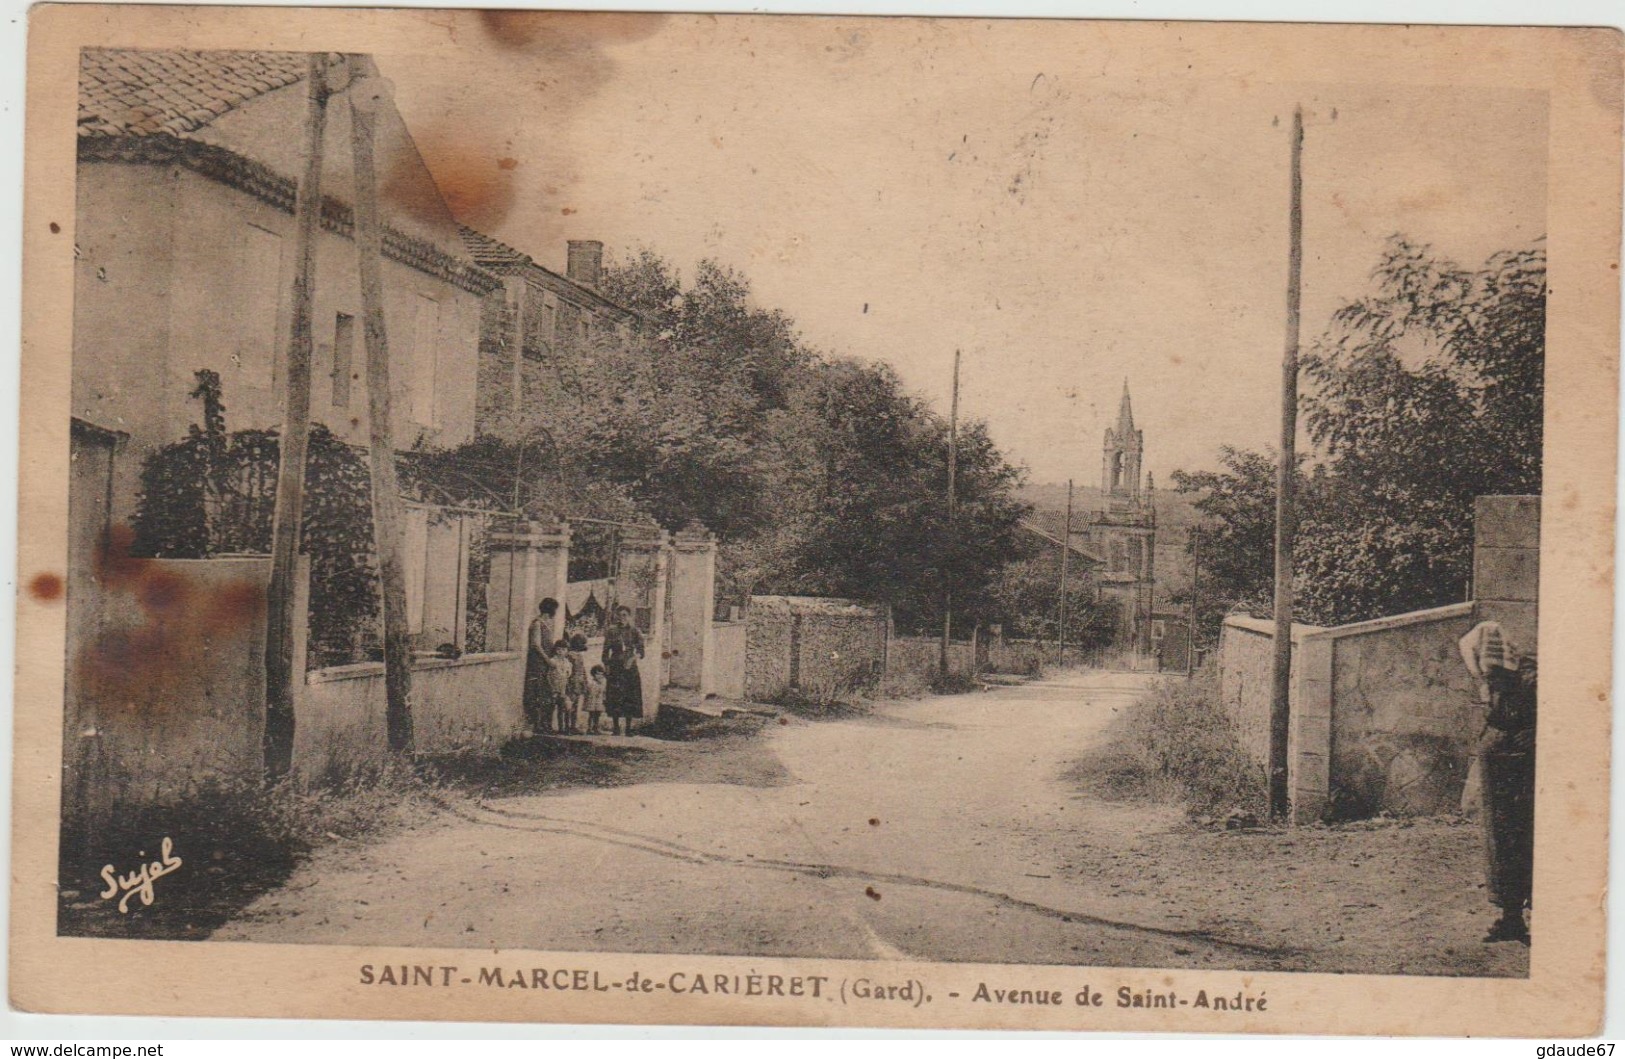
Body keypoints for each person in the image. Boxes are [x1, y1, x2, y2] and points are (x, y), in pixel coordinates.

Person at [1459, 620, 1537, 945]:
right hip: (1502, 770)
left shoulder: (1531, 679)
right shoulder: (1494, 684)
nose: (1485, 677)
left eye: (1487, 669)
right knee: (1501, 841)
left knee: (1530, 836)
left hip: (1527, 770)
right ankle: (1511, 918)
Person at [602, 604, 645, 736]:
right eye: (619, 615)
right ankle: (616, 727)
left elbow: (641, 651)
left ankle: (628, 728)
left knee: (629, 696)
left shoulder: (635, 631)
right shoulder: (611, 631)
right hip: (615, 667)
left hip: (630, 668)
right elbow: (605, 652)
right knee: (615, 696)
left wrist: (632, 659)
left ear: (629, 616)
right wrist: (607, 667)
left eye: (624, 615)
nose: (622, 618)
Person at [522, 598, 560, 735]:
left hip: (545, 664)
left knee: (547, 694)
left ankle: (545, 725)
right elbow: (536, 645)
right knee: (537, 693)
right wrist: (548, 660)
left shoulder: (547, 624)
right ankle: (537, 725)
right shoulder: (537, 624)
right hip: (537, 663)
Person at [548, 639, 574, 734]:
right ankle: (558, 727)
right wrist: (552, 689)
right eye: (558, 649)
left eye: (563, 649)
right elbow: (549, 675)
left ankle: (566, 728)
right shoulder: (553, 661)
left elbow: (569, 673)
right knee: (554, 707)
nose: (560, 651)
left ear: (567, 651)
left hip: (564, 688)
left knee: (566, 707)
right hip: (555, 687)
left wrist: (567, 673)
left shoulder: (567, 662)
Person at [566, 633, 590, 734]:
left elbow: (583, 670)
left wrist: (585, 681)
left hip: (579, 682)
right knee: (569, 705)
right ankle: (567, 726)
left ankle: (573, 725)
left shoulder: (579, 655)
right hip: (572, 682)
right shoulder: (570, 655)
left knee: (576, 706)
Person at [585, 664, 608, 735]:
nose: (599, 676)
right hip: (592, 699)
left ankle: (596, 728)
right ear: (593, 674)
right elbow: (590, 690)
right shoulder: (591, 682)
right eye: (597, 674)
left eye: (601, 674)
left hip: (599, 700)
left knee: (598, 714)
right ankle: (589, 728)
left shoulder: (604, 681)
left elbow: (604, 690)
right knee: (591, 714)